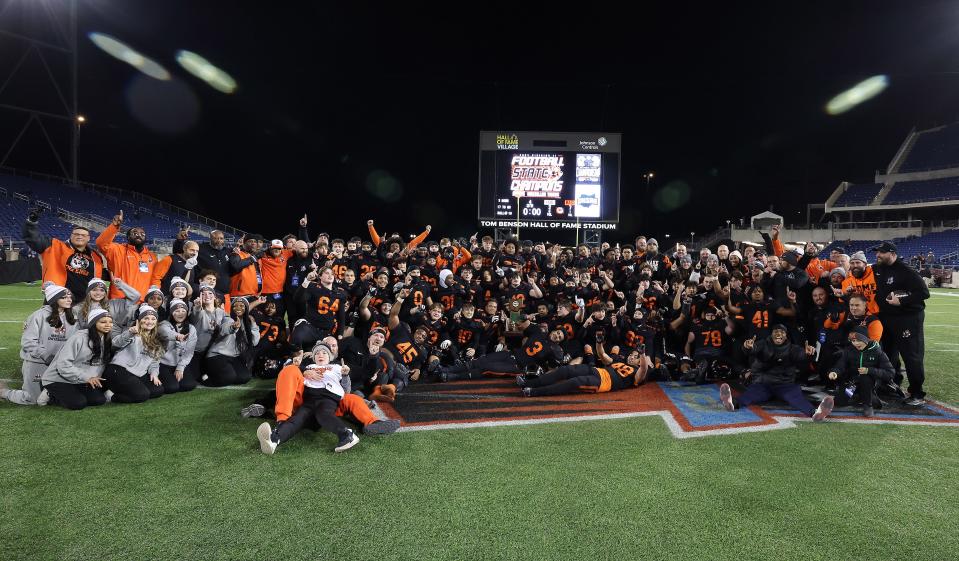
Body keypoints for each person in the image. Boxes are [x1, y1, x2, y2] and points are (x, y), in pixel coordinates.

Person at [255, 344, 361, 455]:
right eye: (317, 353)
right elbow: (288, 372)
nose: (321, 355)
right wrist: (300, 367)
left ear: (330, 357)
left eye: (324, 353)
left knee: (323, 414)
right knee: (297, 419)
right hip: (309, 398)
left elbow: (346, 390)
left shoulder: (337, 367)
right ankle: (274, 440)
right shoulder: (309, 366)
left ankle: (347, 434)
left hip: (328, 397)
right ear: (314, 358)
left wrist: (345, 376)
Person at [718, 324, 834, 421]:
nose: (779, 334)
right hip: (764, 383)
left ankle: (815, 413)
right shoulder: (763, 344)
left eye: (782, 332)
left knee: (796, 398)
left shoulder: (792, 348)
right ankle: (732, 403)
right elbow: (751, 349)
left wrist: (810, 354)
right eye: (776, 332)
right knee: (750, 395)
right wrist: (747, 347)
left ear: (786, 335)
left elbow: (802, 355)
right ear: (771, 334)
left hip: (785, 385)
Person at [872, 241, 930, 406]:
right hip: (887, 318)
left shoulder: (906, 271)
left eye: (882, 252)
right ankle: (892, 383)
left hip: (908, 318)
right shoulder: (878, 269)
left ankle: (917, 393)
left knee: (911, 355)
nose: (878, 255)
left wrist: (902, 301)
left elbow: (924, 293)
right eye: (877, 252)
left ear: (892, 253)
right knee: (888, 354)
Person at [1, 284, 78, 405]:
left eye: (70, 297)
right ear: (53, 300)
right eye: (64, 297)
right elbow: (28, 342)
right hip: (38, 362)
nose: (69, 300)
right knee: (33, 399)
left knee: (61, 397)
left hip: (60, 364)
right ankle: (4, 392)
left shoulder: (73, 317)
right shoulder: (38, 316)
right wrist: (46, 355)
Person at [40, 308, 114, 410]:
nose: (108, 325)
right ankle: (50, 394)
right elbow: (63, 365)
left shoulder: (106, 339)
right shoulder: (79, 338)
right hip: (57, 379)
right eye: (103, 322)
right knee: (78, 403)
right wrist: (87, 377)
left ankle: (72, 392)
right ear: (93, 323)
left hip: (79, 379)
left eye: (110, 322)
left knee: (98, 400)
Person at [23, 212, 104, 299]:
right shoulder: (54, 246)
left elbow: (99, 275)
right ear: (71, 236)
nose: (80, 236)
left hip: (85, 301)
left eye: (83, 235)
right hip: (59, 299)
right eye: (76, 234)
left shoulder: (95, 256)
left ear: (88, 238)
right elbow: (33, 239)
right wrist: (31, 222)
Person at [519, 346, 649, 396]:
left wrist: (642, 354)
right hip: (596, 371)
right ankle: (528, 383)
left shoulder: (638, 373)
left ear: (640, 361)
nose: (632, 357)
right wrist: (599, 343)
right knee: (565, 370)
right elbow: (602, 355)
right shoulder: (620, 361)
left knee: (572, 382)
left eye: (636, 357)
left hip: (602, 382)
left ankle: (534, 392)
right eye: (632, 354)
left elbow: (644, 369)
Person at [827, 326, 895, 417]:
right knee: (841, 401)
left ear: (866, 339)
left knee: (865, 377)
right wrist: (835, 372)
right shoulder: (849, 350)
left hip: (871, 382)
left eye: (858, 340)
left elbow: (890, 373)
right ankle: (859, 396)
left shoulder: (878, 352)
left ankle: (868, 404)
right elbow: (841, 365)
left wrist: (869, 370)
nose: (855, 343)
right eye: (853, 341)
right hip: (853, 382)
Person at [103, 304, 165, 404]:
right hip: (119, 370)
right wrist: (130, 333)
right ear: (139, 320)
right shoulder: (131, 332)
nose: (150, 321)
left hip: (138, 373)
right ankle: (111, 396)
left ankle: (123, 390)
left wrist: (154, 373)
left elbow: (154, 362)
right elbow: (115, 343)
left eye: (153, 319)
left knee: (157, 390)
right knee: (142, 395)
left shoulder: (156, 340)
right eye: (146, 318)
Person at [95, 210, 158, 301]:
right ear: (128, 237)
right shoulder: (117, 250)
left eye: (142, 234)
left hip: (144, 302)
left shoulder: (152, 257)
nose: (139, 235)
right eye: (135, 233)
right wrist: (114, 226)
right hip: (120, 300)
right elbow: (101, 243)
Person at [203, 297, 259, 386]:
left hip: (233, 357)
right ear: (231, 308)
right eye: (235, 306)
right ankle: (206, 377)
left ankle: (224, 373)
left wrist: (253, 324)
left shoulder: (247, 323)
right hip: (217, 355)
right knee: (228, 377)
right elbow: (224, 329)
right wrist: (233, 327)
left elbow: (254, 342)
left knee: (244, 377)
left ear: (247, 309)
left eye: (241, 306)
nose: (238, 308)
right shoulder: (228, 318)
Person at [157, 299, 199, 393]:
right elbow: (166, 332)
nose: (181, 313)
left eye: (183, 311)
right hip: (163, 363)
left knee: (188, 385)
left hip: (179, 363)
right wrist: (177, 336)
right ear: (171, 313)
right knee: (171, 388)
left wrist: (180, 367)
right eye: (177, 311)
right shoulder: (164, 324)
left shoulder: (191, 328)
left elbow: (189, 352)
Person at [73, 277, 140, 331]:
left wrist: (120, 284)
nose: (98, 293)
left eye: (102, 290)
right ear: (88, 292)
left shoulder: (113, 304)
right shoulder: (78, 308)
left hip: (108, 341)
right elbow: (76, 330)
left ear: (105, 293)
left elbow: (135, 296)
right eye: (94, 290)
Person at [196, 230, 233, 297]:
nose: (219, 240)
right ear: (210, 238)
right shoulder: (201, 249)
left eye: (221, 238)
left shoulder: (228, 251)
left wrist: (240, 247)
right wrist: (179, 241)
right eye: (215, 238)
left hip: (225, 291)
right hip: (207, 291)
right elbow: (181, 250)